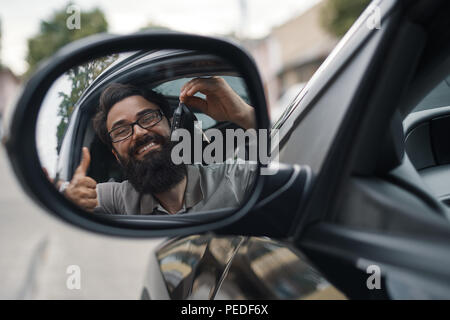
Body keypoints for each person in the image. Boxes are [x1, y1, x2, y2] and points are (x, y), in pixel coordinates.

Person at [62, 77, 258, 215]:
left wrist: (243, 115)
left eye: (148, 118)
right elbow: (68, 200)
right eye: (121, 131)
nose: (139, 132)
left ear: (173, 125)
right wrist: (69, 197)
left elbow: (285, 166)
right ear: (116, 155)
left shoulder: (232, 177)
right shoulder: (117, 199)